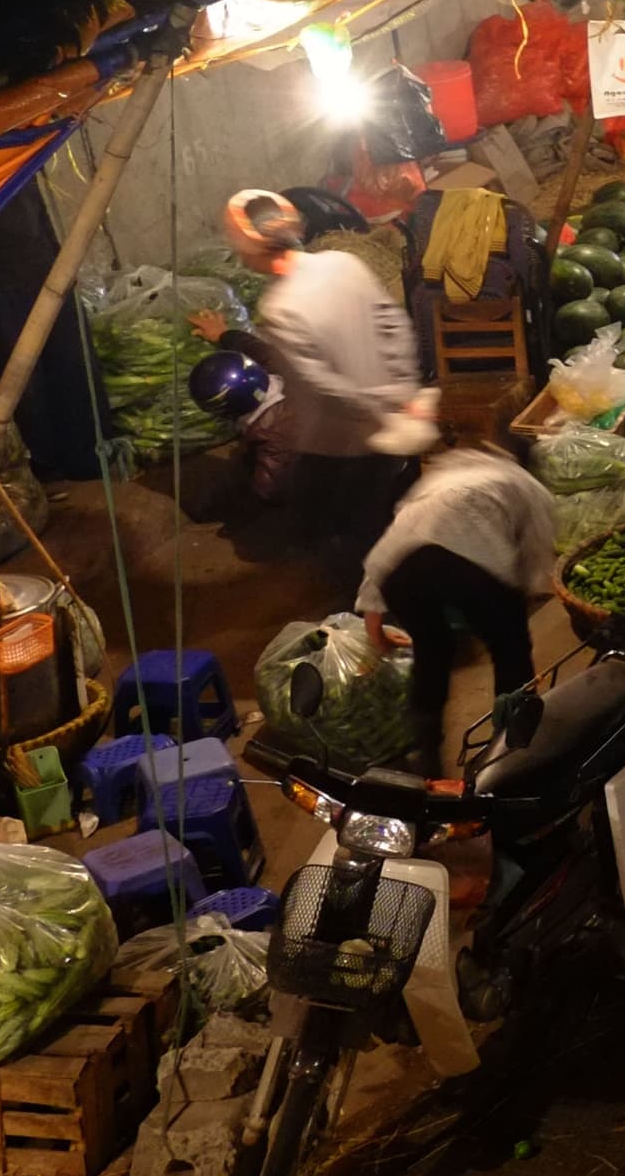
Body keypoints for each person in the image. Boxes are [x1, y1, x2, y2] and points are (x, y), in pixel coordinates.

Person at [195, 188, 424, 573]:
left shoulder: (282, 307)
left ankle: (370, 597)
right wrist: (402, 393)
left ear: (253, 249)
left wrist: (379, 411)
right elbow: (394, 324)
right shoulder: (342, 264)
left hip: (341, 446)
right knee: (396, 517)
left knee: (349, 541)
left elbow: (324, 386)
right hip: (393, 427)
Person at [356, 442, 556, 765]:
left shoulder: (440, 476)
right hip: (466, 563)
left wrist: (373, 620)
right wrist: (512, 603)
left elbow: (394, 541)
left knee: (432, 649)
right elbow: (535, 563)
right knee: (511, 648)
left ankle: (426, 753)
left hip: (399, 569)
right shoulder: (527, 485)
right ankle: (513, 746)